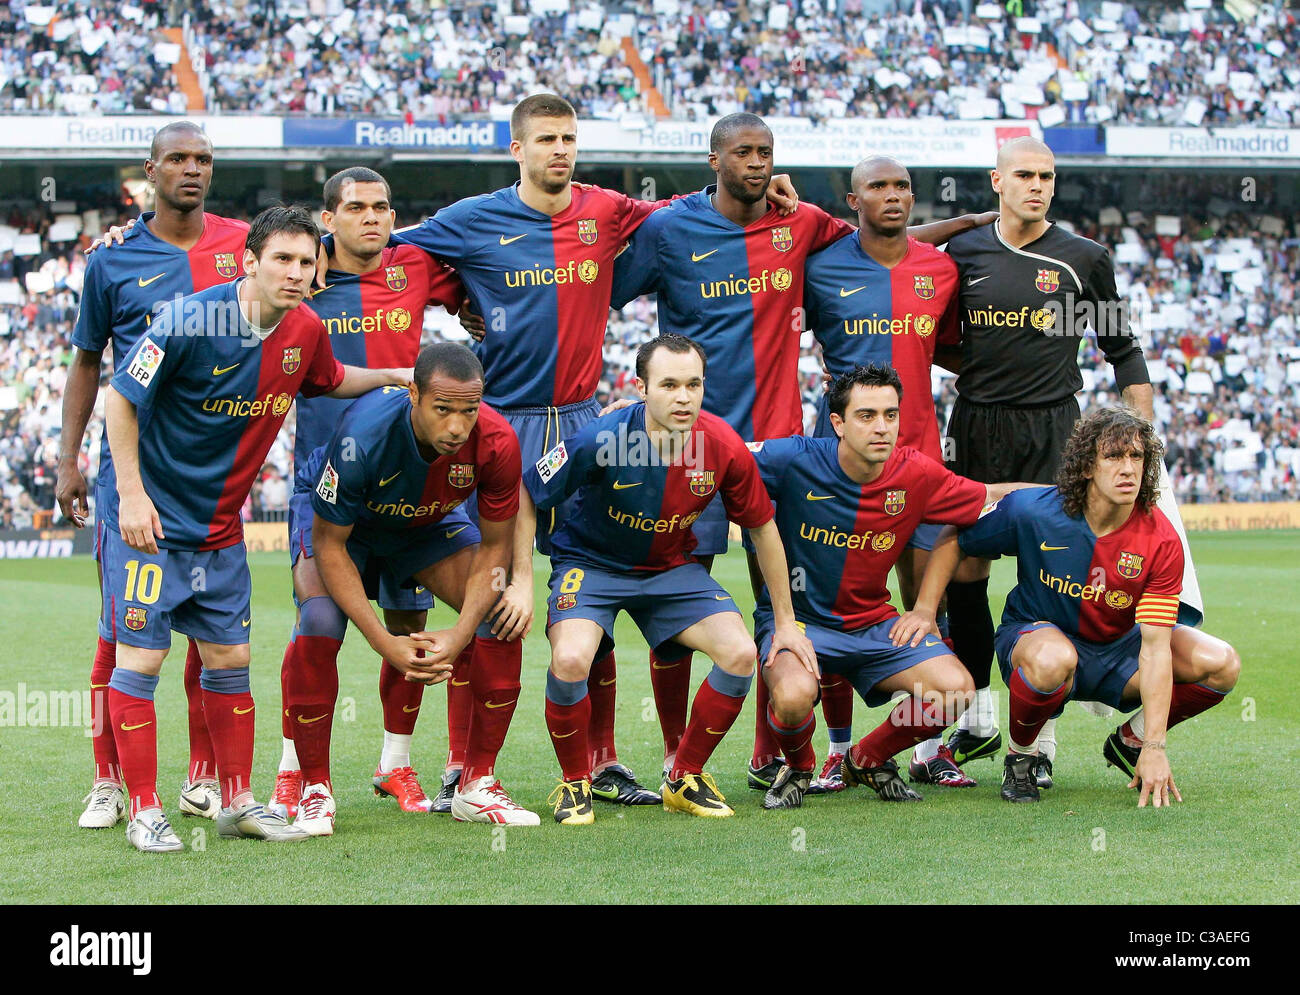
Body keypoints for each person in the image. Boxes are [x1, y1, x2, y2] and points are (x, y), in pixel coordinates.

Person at [385, 94, 798, 808]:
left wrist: (759, 187)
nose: (560, 150)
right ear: (516, 148)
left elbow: (686, 206)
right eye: (545, 139)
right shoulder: (475, 218)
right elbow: (399, 251)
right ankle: (463, 764)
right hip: (499, 422)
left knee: (594, 579)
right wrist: (457, 294)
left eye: (569, 138)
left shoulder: (606, 210)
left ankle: (602, 760)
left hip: (576, 418)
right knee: (488, 591)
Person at [610, 116, 996, 794]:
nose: (757, 164)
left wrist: (963, 222)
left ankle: (776, 753)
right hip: (688, 444)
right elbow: (601, 289)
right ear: (715, 159)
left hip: (781, 444)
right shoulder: (671, 229)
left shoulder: (802, 225)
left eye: (766, 153)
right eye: (744, 153)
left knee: (785, 598)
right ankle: (677, 752)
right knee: (674, 604)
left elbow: (882, 239)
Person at [101, 205, 411, 852]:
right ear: (250, 260)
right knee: (142, 660)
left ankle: (238, 801)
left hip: (219, 529)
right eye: (283, 260)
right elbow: (121, 396)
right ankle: (144, 810)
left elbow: (328, 380)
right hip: (150, 522)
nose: (297, 273)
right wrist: (129, 494)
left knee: (231, 660)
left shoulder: (305, 328)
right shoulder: (188, 320)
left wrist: (391, 374)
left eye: (306, 262)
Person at [919, 136, 1165, 786]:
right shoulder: (963, 252)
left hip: (1058, 428)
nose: (1037, 185)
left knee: (1056, 572)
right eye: (1024, 174)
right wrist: (989, 371)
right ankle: (974, 715)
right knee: (965, 565)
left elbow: (1123, 349)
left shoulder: (1086, 259)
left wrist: (1143, 435)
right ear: (996, 180)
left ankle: (1041, 741)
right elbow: (936, 340)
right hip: (974, 425)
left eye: (1047, 176)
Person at [524, 334, 815, 824]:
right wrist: (514, 577)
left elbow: (762, 529)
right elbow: (530, 492)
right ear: (640, 387)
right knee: (572, 658)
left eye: (693, 384)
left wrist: (785, 622)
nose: (683, 397)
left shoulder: (722, 445)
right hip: (590, 565)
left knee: (741, 653)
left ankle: (684, 777)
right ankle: (574, 785)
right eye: (669, 385)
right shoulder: (600, 438)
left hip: (668, 571)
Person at [896, 406, 1240, 805]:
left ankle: (1131, 741)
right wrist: (925, 608)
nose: (1128, 468)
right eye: (1113, 456)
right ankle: (1021, 757)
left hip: (1117, 652)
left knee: (1222, 663)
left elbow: (1156, 646)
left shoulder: (1160, 539)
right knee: (1053, 658)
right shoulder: (1035, 510)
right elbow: (957, 538)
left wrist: (1155, 745)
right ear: (1088, 466)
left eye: (1136, 457)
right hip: (1037, 641)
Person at [59, 122, 248, 830]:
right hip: (133, 472)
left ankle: (205, 777)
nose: (192, 169)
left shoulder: (243, 245)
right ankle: (110, 781)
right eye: (178, 159)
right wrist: (67, 457)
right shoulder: (111, 261)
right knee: (125, 626)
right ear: (152, 171)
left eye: (203, 158)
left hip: (214, 467)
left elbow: (328, 257)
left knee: (210, 627)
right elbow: (87, 362)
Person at [271, 167, 470, 821]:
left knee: (412, 624)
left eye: (383, 206)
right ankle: (296, 771)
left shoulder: (414, 265)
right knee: (320, 621)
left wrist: (469, 300)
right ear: (327, 219)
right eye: (355, 207)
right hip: (326, 484)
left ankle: (395, 763)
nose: (372, 217)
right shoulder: (302, 275)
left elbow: (479, 270)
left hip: (411, 487)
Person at [750, 364, 1036, 809]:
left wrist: (1076, 490)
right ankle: (801, 766)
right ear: (838, 423)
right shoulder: (793, 459)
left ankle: (867, 758)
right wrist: (639, 417)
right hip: (798, 625)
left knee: (955, 689)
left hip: (872, 623)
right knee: (790, 698)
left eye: (890, 414)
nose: (881, 427)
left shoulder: (915, 473)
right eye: (866, 416)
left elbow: (992, 496)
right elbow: (721, 454)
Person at [304, 342, 535, 832]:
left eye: (469, 410)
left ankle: (475, 785)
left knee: (500, 622)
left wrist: (462, 633)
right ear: (413, 395)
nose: (457, 426)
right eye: (443, 409)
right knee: (319, 624)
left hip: (424, 524)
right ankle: (313, 787)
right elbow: (329, 546)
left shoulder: (497, 442)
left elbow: (496, 549)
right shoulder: (362, 437)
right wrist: (382, 642)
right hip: (345, 529)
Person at [802, 154, 975, 789]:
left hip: (921, 452)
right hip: (839, 458)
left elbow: (952, 347)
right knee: (841, 601)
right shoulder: (821, 269)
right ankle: (838, 747)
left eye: (903, 185)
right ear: (855, 200)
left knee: (930, 601)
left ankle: (930, 747)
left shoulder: (940, 268)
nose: (894, 195)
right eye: (878, 186)